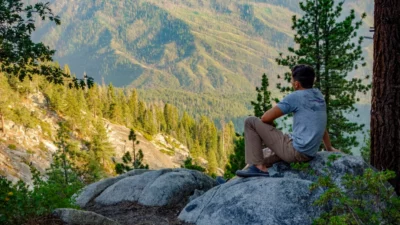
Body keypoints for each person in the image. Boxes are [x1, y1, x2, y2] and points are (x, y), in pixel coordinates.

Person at [236, 64, 339, 177]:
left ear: (296, 84)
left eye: (291, 80)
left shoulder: (296, 97)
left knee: (250, 122)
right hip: (307, 153)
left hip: (295, 151)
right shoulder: (319, 96)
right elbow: (320, 124)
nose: (291, 82)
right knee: (257, 156)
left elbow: (265, 118)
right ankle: (232, 181)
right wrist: (329, 148)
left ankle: (260, 169)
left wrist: (269, 129)